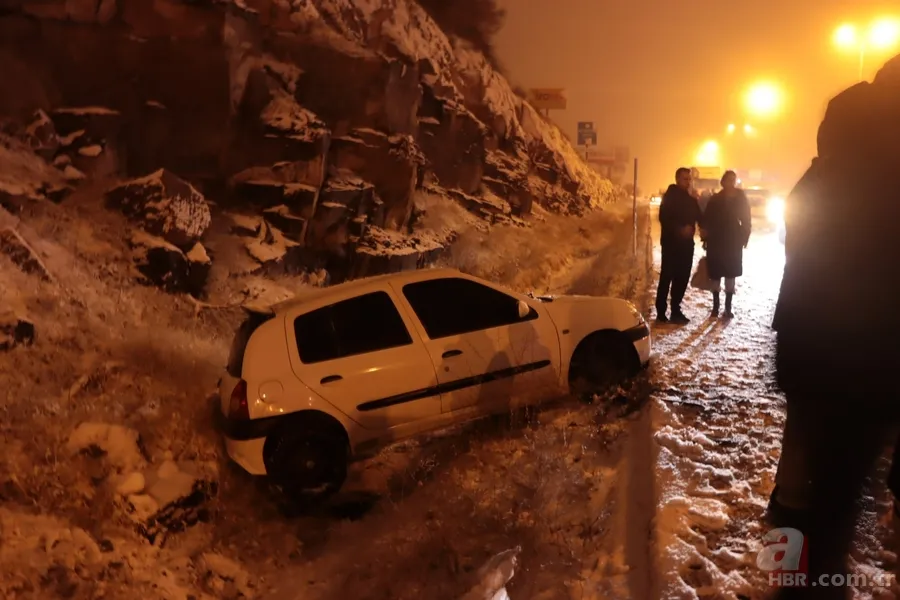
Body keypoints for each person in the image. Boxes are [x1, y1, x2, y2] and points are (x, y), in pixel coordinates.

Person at [767, 53, 900, 599]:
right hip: (872, 356)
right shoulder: (885, 175)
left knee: (805, 483)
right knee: (840, 492)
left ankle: (787, 579)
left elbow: (796, 244)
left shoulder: (820, 177)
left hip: (811, 348)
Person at [700, 170, 751, 318]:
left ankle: (728, 308)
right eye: (728, 180)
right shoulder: (715, 199)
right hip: (716, 240)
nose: (731, 183)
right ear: (723, 182)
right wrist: (705, 237)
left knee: (730, 274)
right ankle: (715, 307)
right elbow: (707, 219)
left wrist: (744, 236)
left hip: (733, 241)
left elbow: (746, 218)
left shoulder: (740, 198)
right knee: (715, 274)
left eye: (733, 180)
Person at [655, 167, 701, 324]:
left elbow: (699, 217)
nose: (687, 182)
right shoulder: (670, 196)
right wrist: (680, 229)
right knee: (667, 276)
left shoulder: (691, 199)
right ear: (677, 179)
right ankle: (661, 311)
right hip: (670, 244)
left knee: (682, 277)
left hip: (687, 245)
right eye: (684, 179)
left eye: (689, 179)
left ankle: (676, 309)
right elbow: (664, 218)